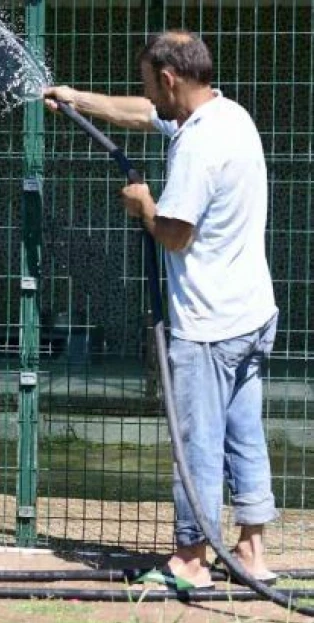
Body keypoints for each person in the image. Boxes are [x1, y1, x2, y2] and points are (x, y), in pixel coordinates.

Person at [44, 30, 279, 590]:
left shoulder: (199, 146)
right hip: (252, 314)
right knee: (245, 433)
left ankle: (192, 560)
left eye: (151, 82)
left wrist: (143, 205)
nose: (148, 94)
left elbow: (175, 235)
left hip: (208, 324)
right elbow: (144, 114)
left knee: (197, 440)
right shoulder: (228, 115)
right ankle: (251, 552)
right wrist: (75, 98)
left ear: (170, 78)